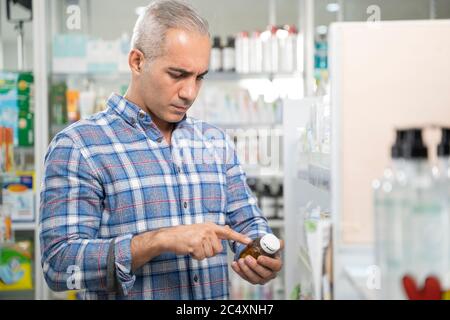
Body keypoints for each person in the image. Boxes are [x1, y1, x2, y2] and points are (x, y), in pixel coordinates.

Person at [40, 0, 283, 300]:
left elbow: (247, 223)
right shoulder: (79, 146)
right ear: (137, 62)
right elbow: (59, 266)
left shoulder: (215, 142)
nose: (189, 92)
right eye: (178, 74)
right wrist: (159, 240)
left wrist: (259, 253)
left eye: (199, 77)